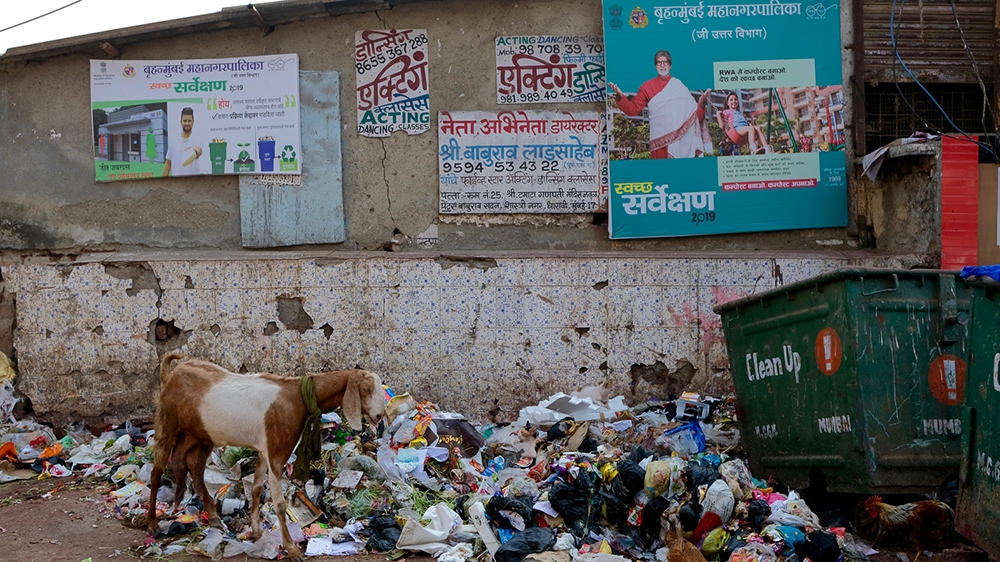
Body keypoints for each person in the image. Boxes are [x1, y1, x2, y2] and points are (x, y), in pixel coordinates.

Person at [608, 50, 713, 158]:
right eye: (659, 62)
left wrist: (700, 103)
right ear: (655, 66)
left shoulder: (679, 86)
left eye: (665, 62)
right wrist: (620, 96)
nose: (662, 65)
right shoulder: (647, 87)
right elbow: (632, 109)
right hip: (659, 146)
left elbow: (694, 118)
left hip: (680, 144)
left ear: (670, 65)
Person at [163, 107, 204, 176]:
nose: (187, 123)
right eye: (185, 121)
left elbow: (199, 150)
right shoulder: (174, 141)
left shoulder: (197, 138)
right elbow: (168, 164)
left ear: (193, 122)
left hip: (193, 184)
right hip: (176, 183)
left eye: (189, 121)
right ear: (181, 122)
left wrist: (194, 152)